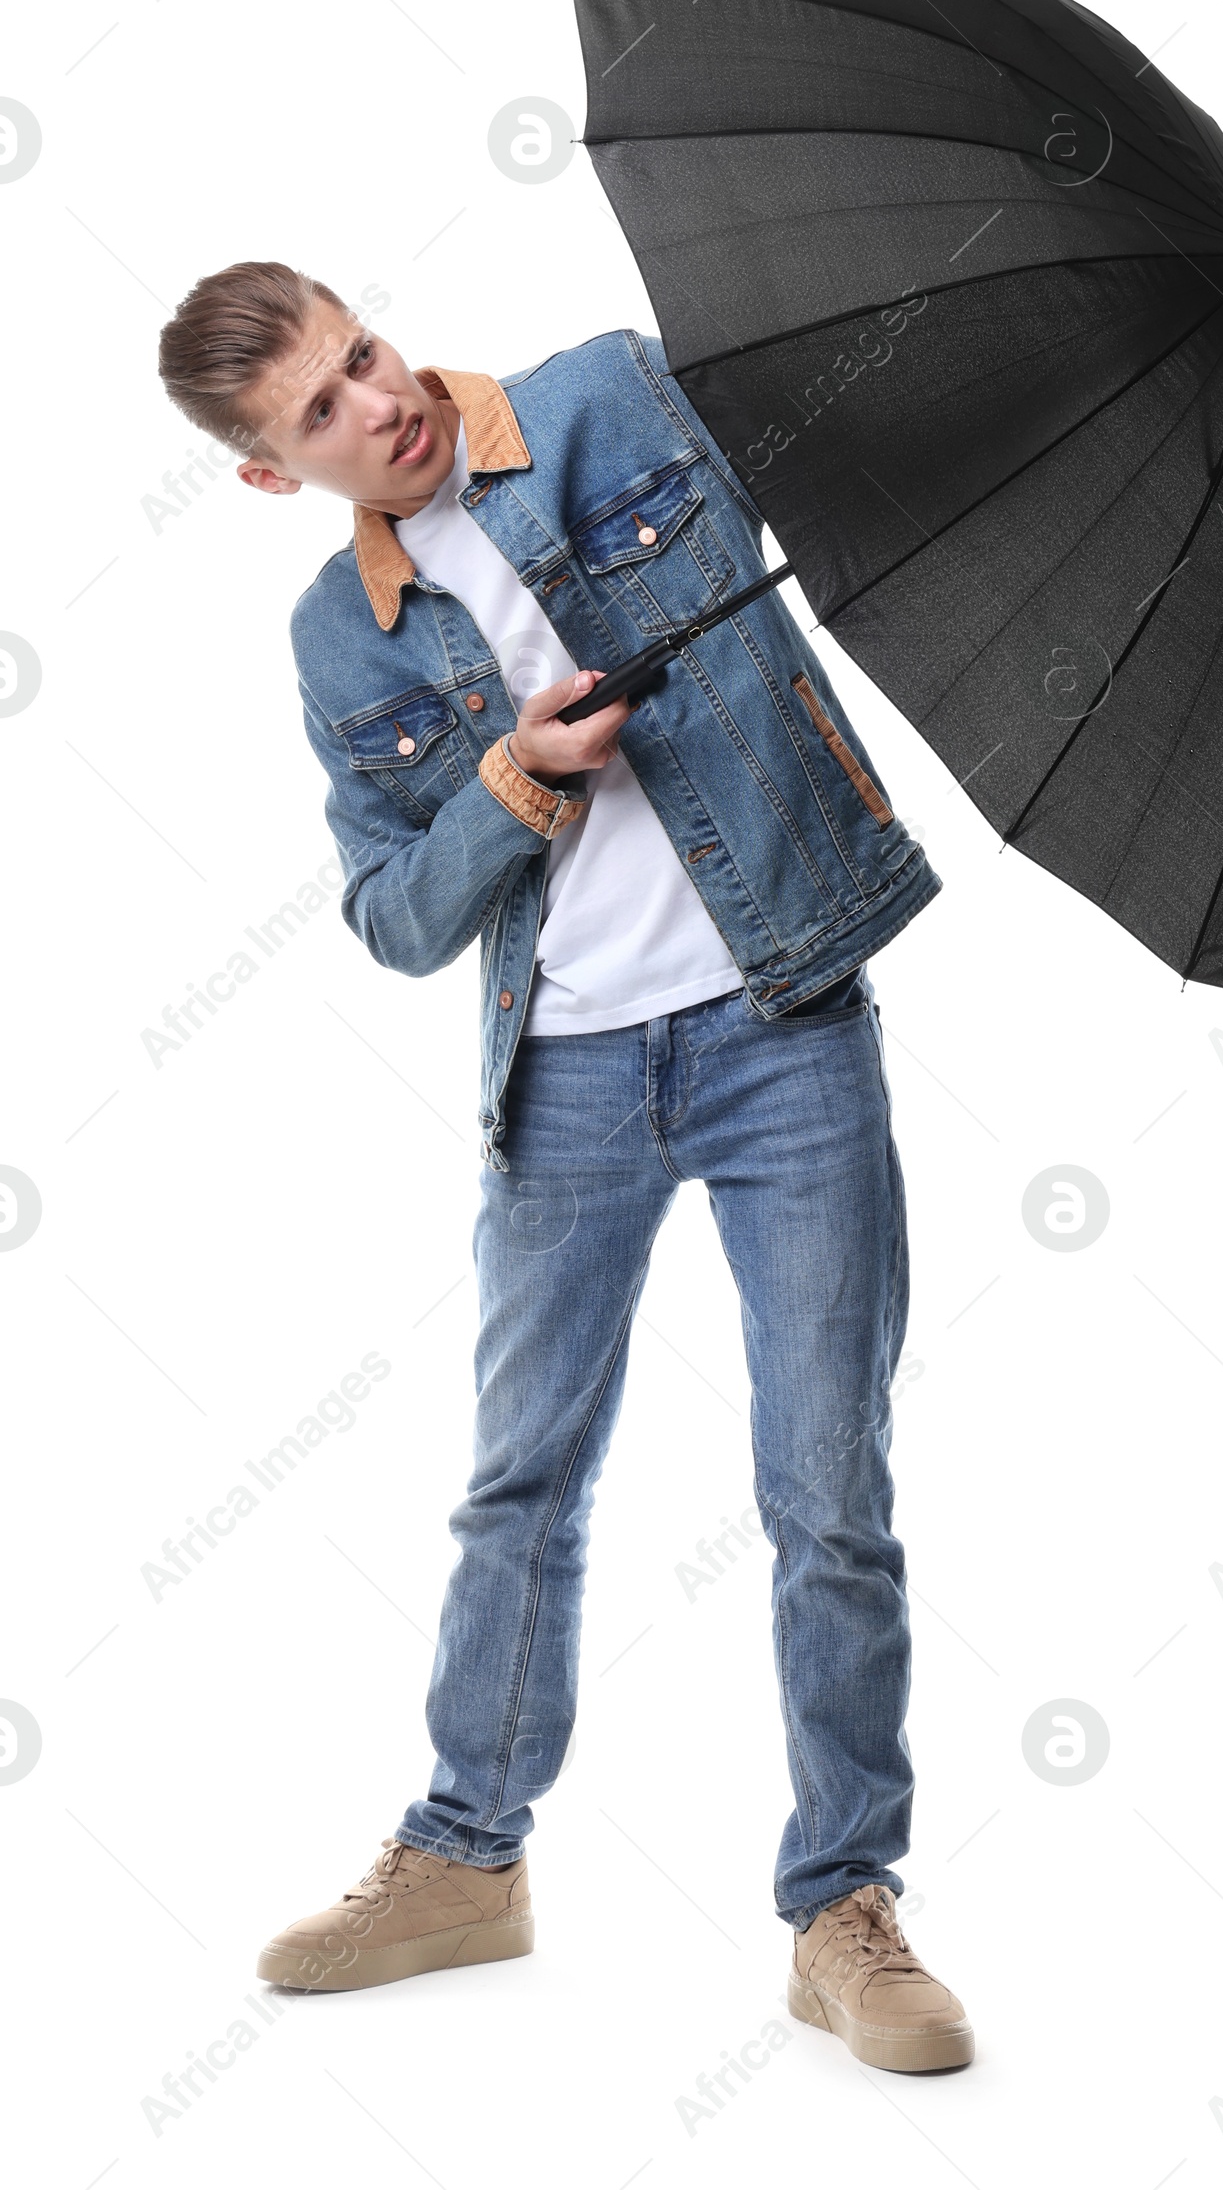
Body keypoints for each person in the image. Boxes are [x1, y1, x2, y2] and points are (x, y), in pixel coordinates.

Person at [155, 262, 973, 2073]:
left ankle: (844, 1908)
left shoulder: (611, 394)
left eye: (359, 354)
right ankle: (466, 1857)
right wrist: (518, 780)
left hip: (784, 1017)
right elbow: (393, 919)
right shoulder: (337, 640)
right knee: (521, 1484)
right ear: (271, 474)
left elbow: (847, 466)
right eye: (318, 413)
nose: (377, 405)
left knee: (827, 1488)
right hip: (571, 1078)